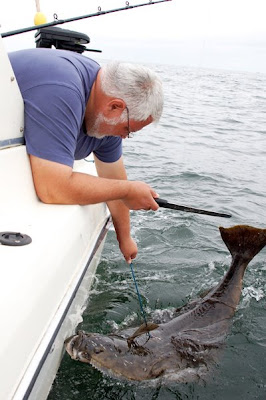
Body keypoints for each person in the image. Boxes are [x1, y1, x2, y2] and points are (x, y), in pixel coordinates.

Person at [9, 48, 164, 263]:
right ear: (115, 106)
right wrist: (129, 190)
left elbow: (114, 179)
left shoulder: (104, 112)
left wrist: (124, 237)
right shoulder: (61, 90)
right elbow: (52, 188)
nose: (125, 137)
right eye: (128, 130)